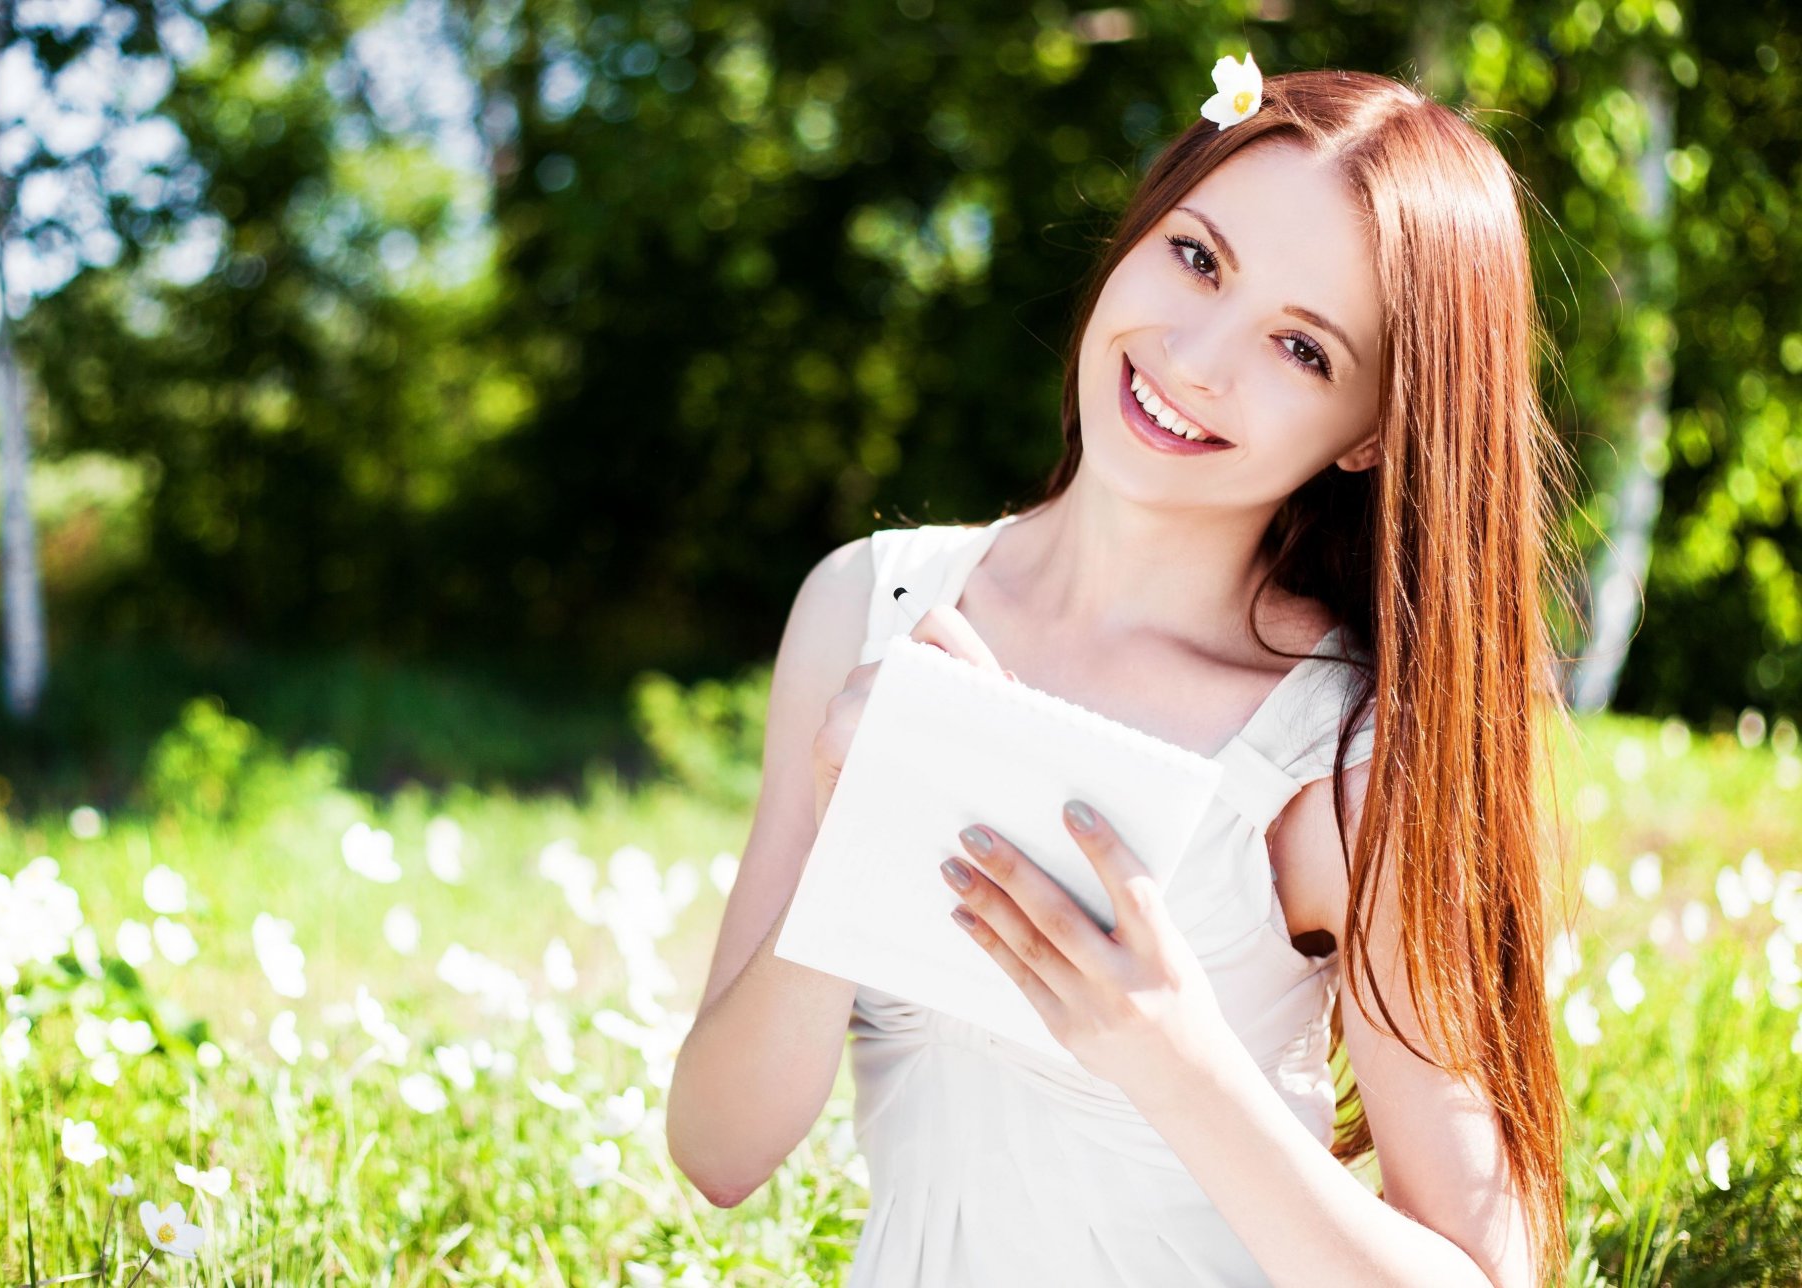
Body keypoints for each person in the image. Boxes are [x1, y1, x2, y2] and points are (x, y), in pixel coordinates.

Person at [668, 60, 1573, 1288]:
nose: (1197, 358)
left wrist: (1173, 1053)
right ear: (1143, 226)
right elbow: (718, 1150)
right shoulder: (866, 606)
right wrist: (861, 828)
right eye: (1199, 259)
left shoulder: (1339, 752)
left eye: (1302, 348)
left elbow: (1492, 1276)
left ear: (1372, 429)